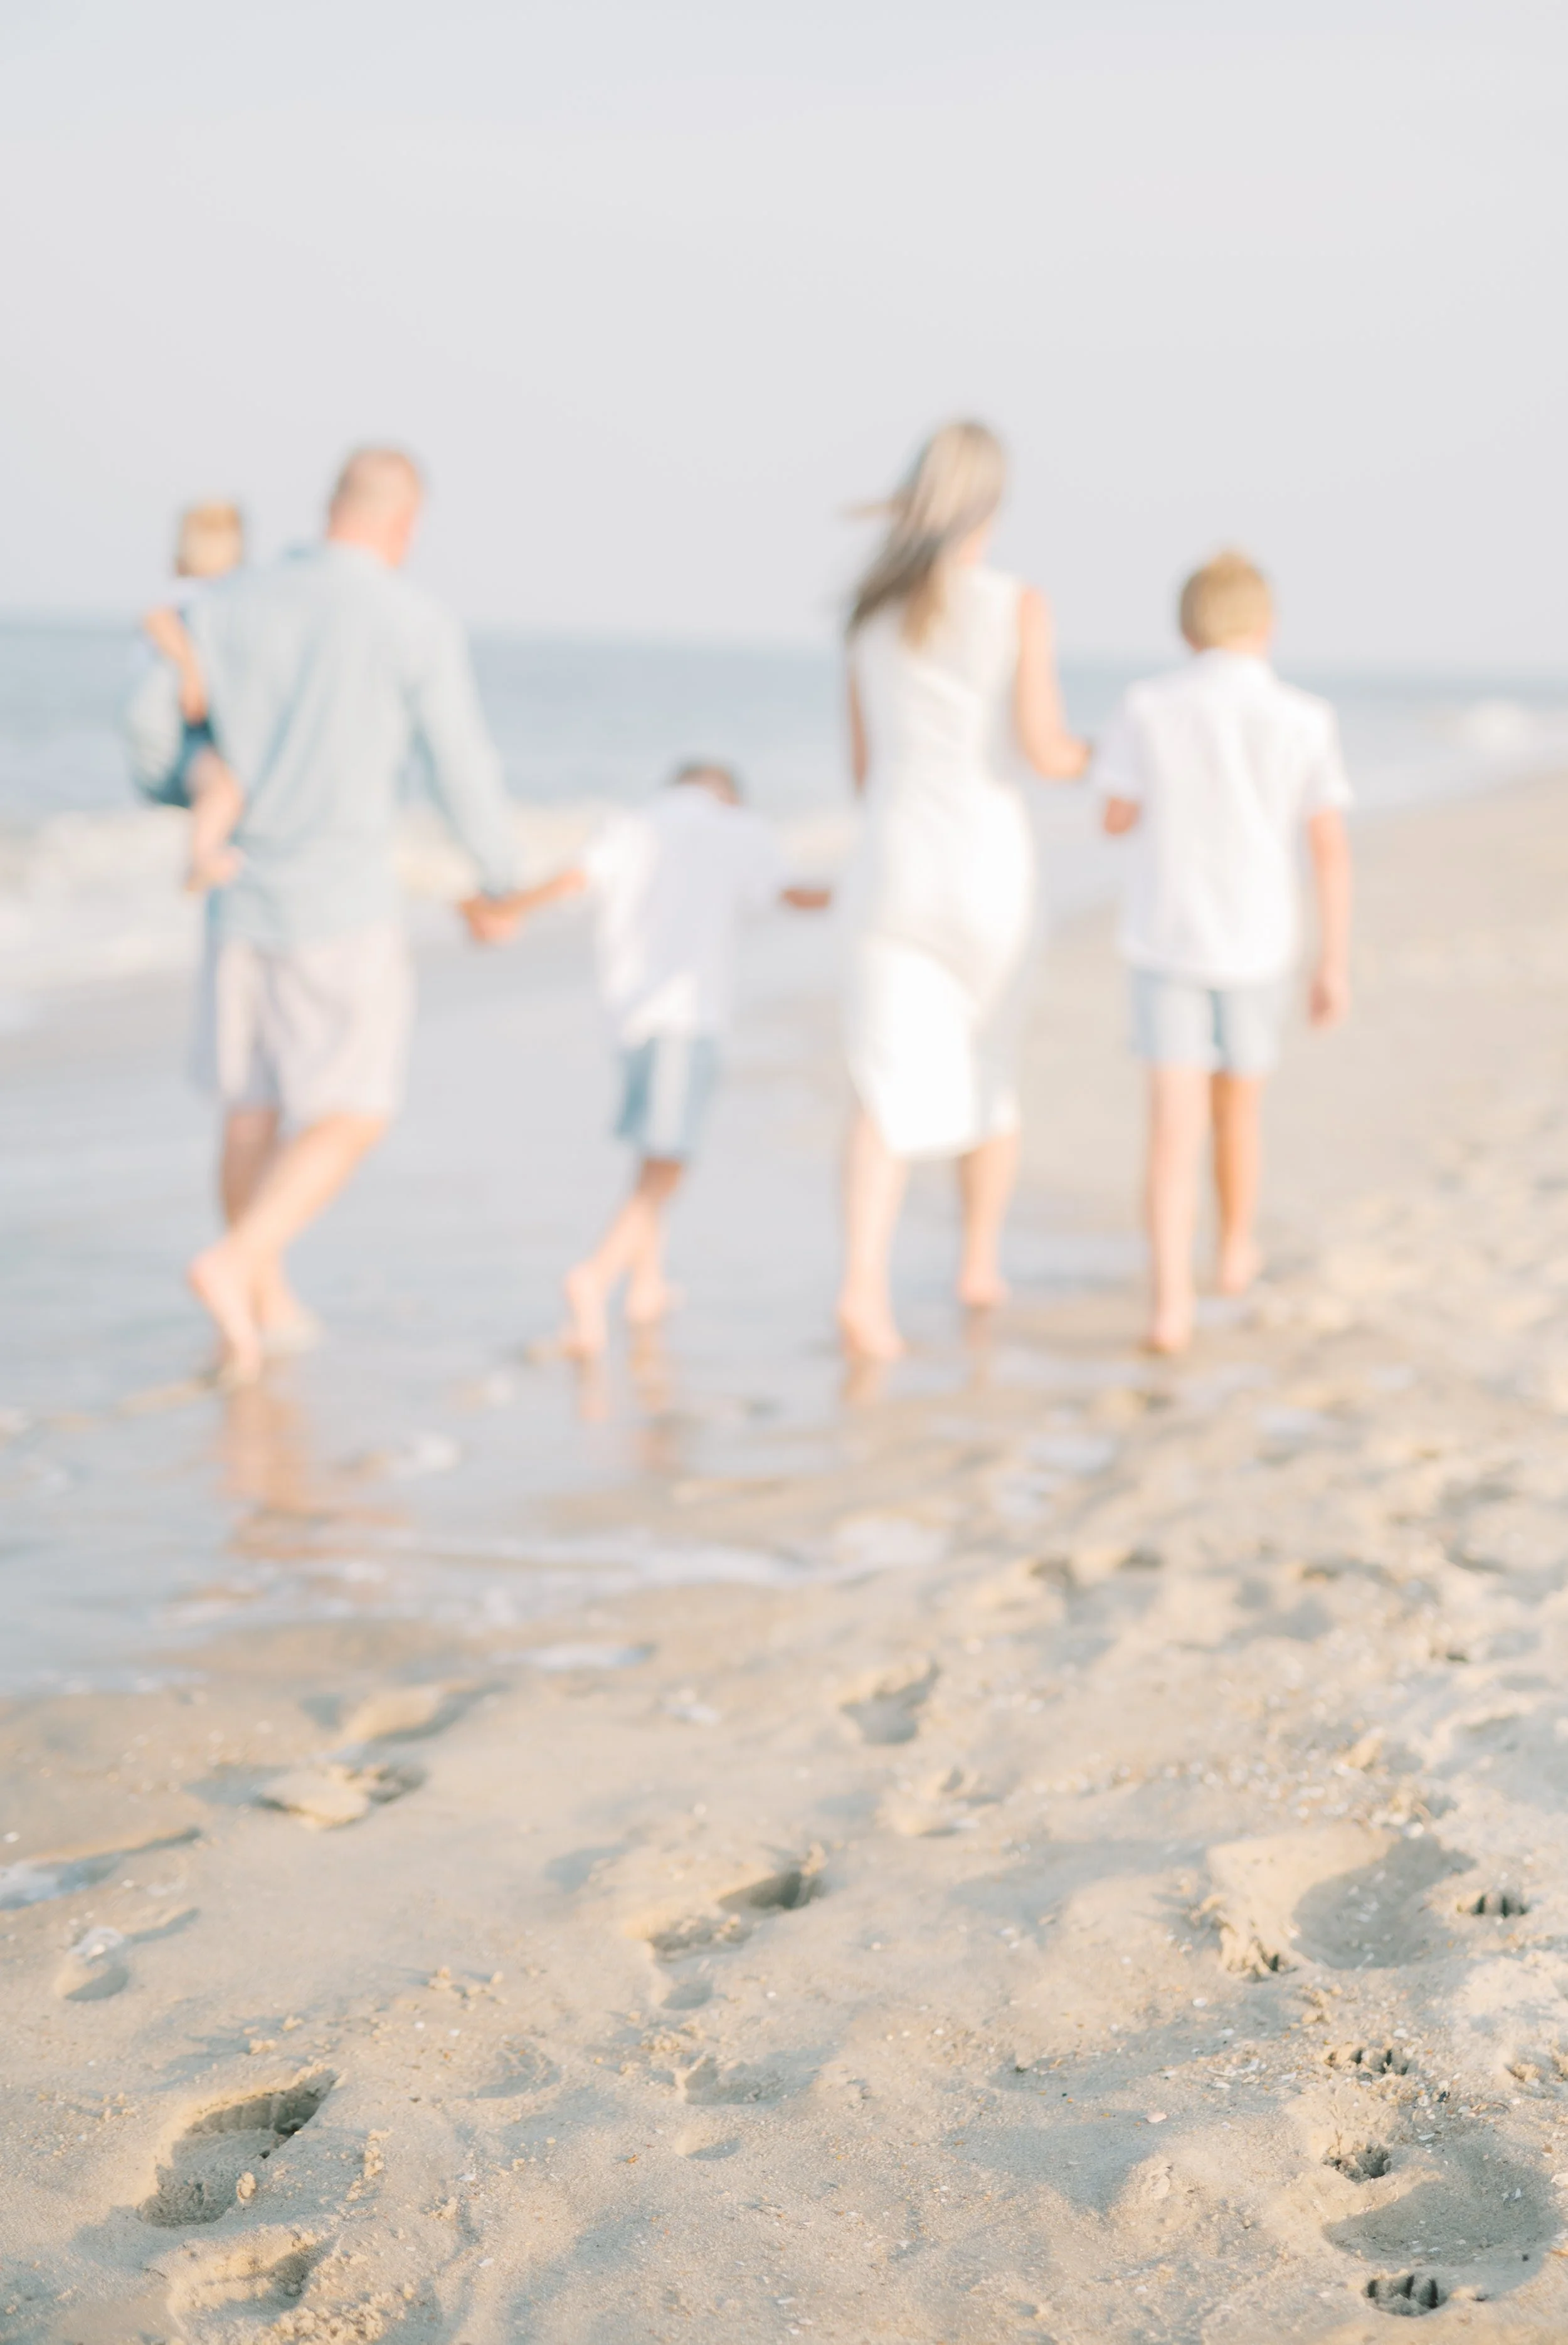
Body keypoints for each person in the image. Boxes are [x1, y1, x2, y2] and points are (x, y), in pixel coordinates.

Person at [123, 447, 522, 1385]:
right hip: (343, 902)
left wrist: (192, 784)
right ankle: (240, 1265)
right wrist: (500, 876)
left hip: (240, 898)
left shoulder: (221, 604)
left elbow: (148, 730)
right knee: (354, 1109)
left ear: (328, 507)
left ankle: (257, 1309)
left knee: (250, 1109)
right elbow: (461, 764)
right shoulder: (412, 620)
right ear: (404, 522)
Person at [837, 420, 1090, 1361]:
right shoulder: (1017, 604)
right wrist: (1113, 759)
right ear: (994, 501)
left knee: (882, 1086)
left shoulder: (866, 615)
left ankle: (863, 1287)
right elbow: (1045, 748)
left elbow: (863, 772)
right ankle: (978, 1262)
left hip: (894, 863)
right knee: (990, 1066)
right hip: (989, 868)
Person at [467, 761, 830, 1356]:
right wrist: (872, 892)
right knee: (669, 1160)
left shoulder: (630, 825)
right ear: (729, 794)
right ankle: (595, 1277)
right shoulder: (733, 828)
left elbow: (569, 881)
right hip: (685, 1015)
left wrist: (504, 910)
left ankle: (646, 1283)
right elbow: (791, 894)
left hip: (627, 1018)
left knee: (654, 1147)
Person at [1094, 549, 1353, 1355]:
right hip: (1258, 941)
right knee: (1237, 1110)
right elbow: (1328, 848)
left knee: (1171, 1128)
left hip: (1166, 937)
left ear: (1184, 628)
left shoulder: (1146, 705)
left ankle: (1170, 1302)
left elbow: (1114, 817)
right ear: (1265, 626)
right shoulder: (1304, 717)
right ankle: (1234, 1245)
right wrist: (1331, 960)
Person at [141, 501, 248, 892]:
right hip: (185, 731)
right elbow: (156, 618)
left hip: (180, 732)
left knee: (224, 788)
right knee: (225, 785)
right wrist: (192, 672)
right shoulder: (199, 596)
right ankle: (200, 859)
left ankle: (207, 855)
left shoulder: (201, 595)